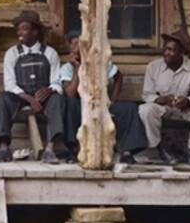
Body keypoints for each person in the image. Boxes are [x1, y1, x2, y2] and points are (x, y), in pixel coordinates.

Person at [0, 11, 66, 164]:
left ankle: (50, 150)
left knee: (57, 99)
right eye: (18, 29)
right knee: (1, 99)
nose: (19, 32)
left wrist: (49, 90)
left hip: (42, 96)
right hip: (20, 96)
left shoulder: (50, 53)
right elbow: (10, 84)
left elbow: (57, 82)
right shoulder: (12, 53)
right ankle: (4, 148)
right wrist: (30, 99)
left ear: (35, 31)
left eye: (24, 28)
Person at [59, 32, 147, 164]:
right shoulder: (66, 68)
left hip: (101, 104)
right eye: (75, 44)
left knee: (129, 108)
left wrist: (113, 100)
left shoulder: (99, 62)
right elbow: (70, 93)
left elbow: (118, 77)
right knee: (70, 104)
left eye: (82, 43)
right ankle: (74, 151)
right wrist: (78, 68)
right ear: (71, 48)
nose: (78, 47)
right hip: (80, 105)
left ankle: (127, 152)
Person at [137, 29, 190, 165]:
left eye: (172, 50)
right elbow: (147, 95)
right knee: (145, 110)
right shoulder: (153, 67)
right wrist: (161, 99)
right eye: (165, 48)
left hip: (184, 109)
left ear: (181, 53)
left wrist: (187, 101)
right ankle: (160, 148)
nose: (167, 53)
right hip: (163, 108)